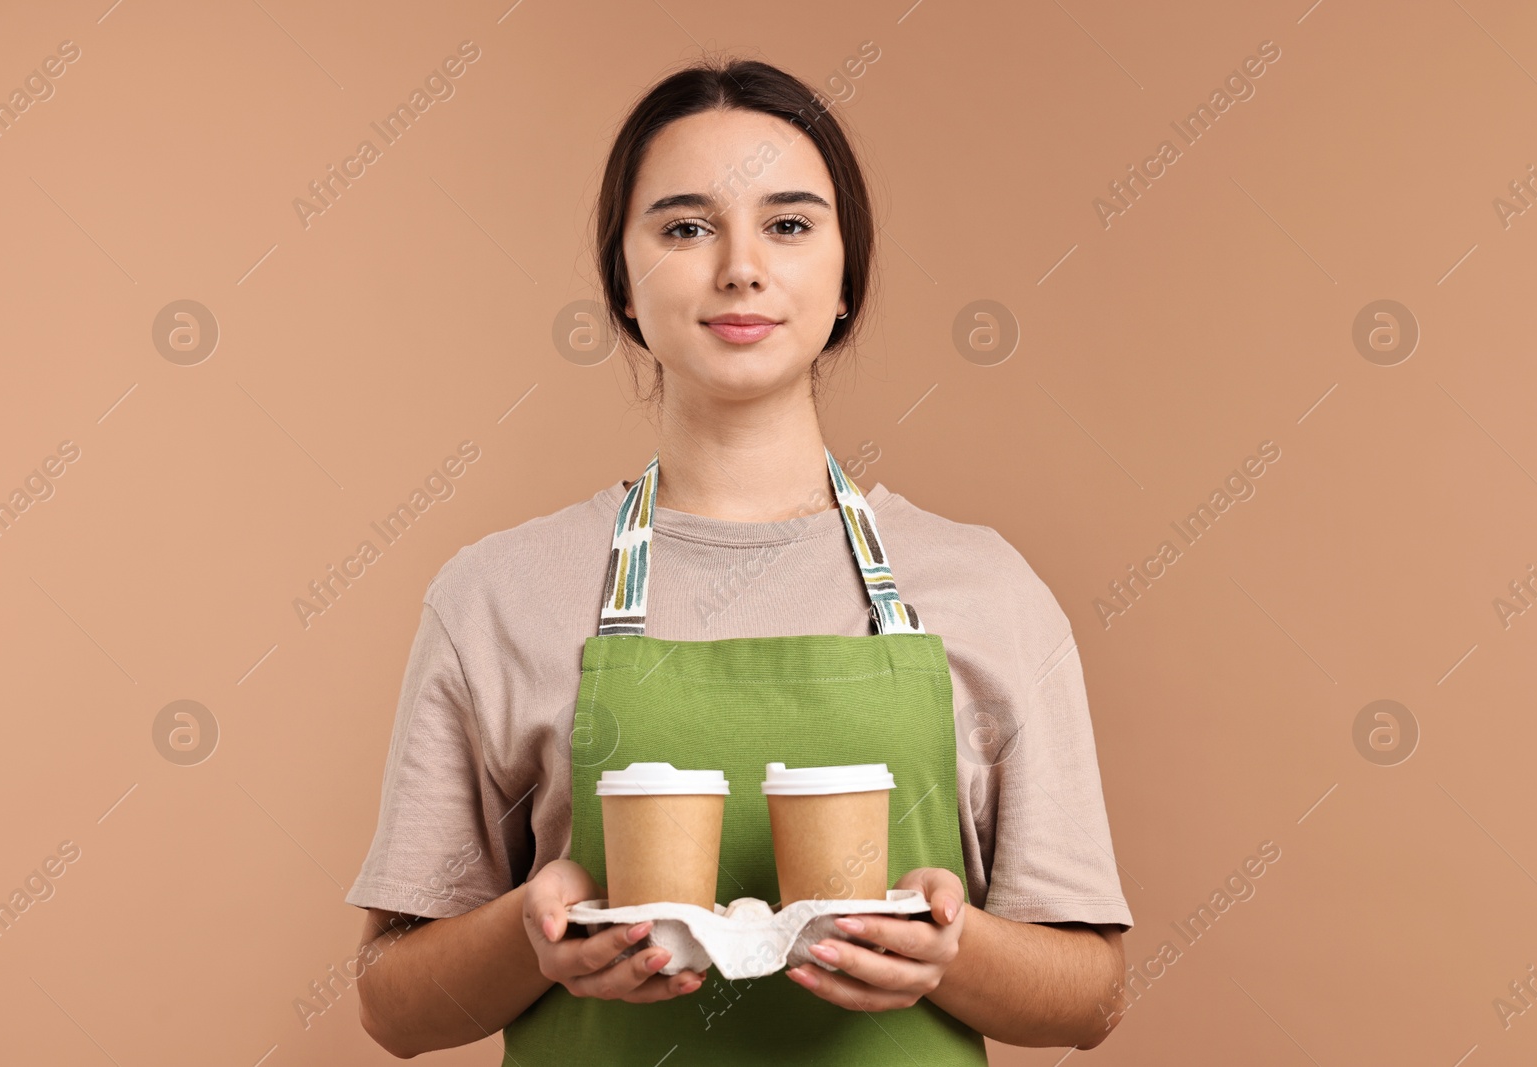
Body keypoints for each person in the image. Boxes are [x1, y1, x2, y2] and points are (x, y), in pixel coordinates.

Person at [347, 55, 1133, 1061]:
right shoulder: (498, 594)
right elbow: (390, 1003)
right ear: (622, 280)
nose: (740, 268)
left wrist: (952, 953)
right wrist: (530, 933)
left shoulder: (988, 590)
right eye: (684, 226)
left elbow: (1091, 996)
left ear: (846, 276)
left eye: (790, 224)